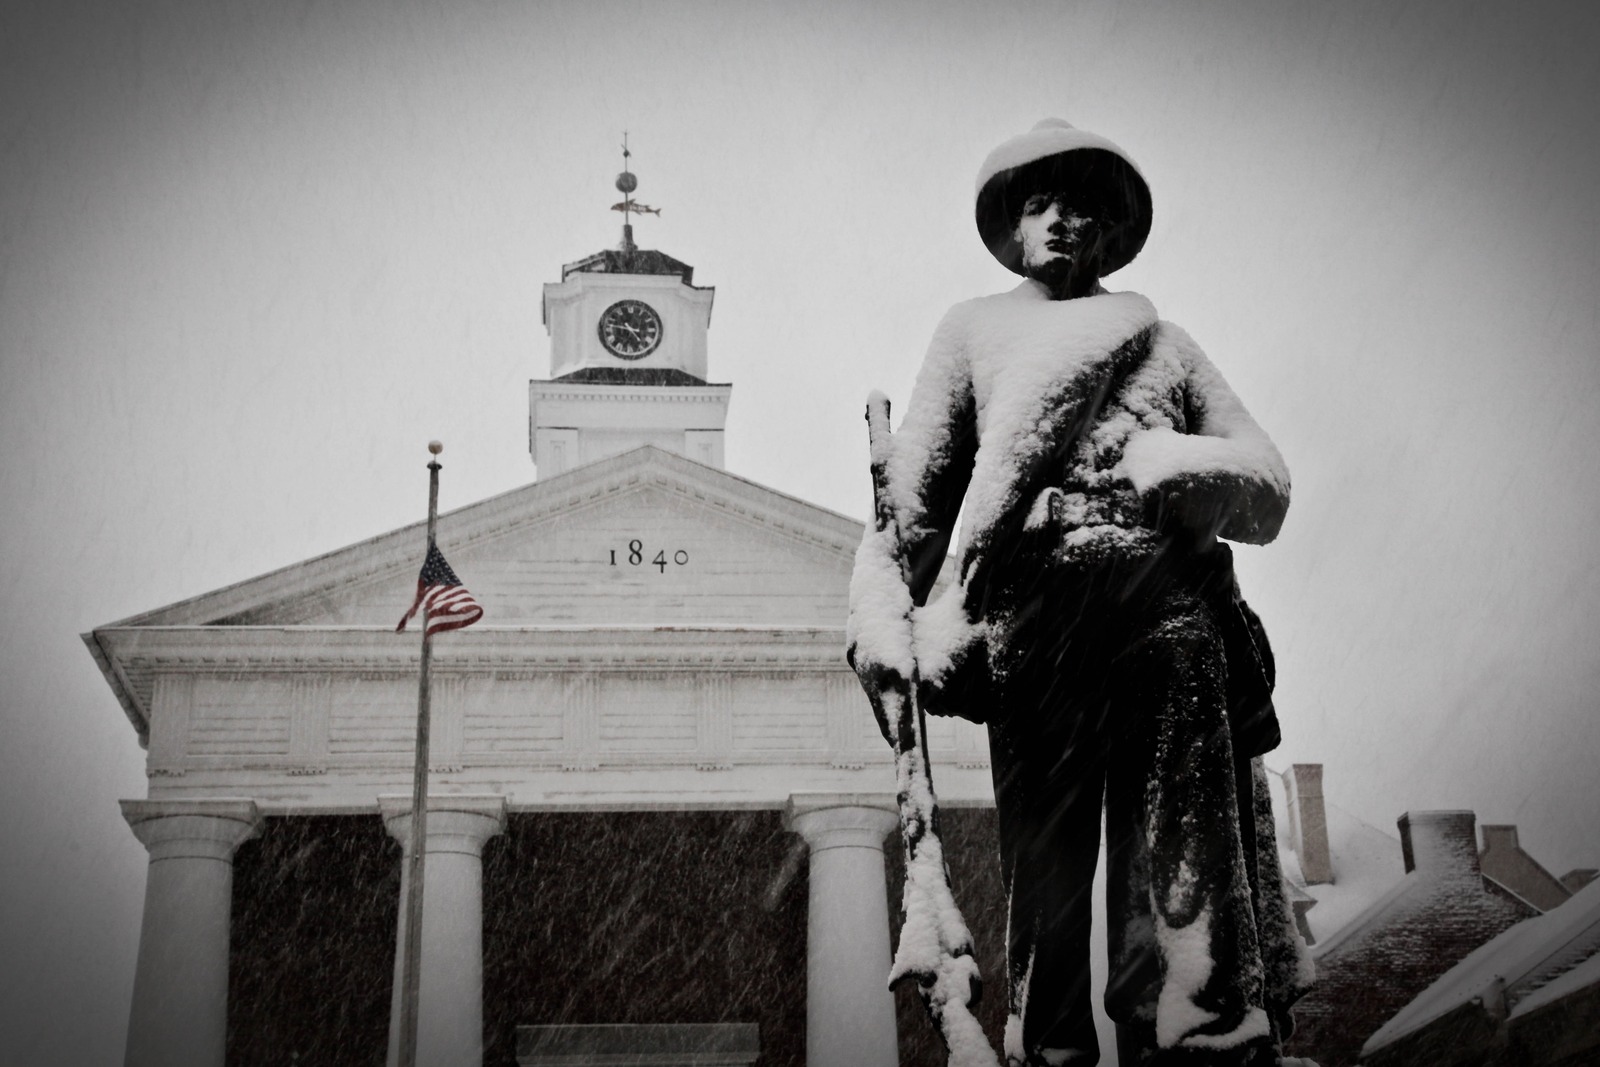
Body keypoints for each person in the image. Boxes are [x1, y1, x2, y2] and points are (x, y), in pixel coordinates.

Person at [857, 119, 1311, 1065]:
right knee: (1046, 858)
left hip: (1163, 606)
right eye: (1040, 204)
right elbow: (911, 509)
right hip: (1039, 606)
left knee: (1179, 838)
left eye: (1083, 209)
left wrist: (1172, 466)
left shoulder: (1167, 347)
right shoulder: (972, 334)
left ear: (1109, 233)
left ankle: (1197, 1029)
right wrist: (876, 612)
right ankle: (1050, 1046)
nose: (1063, 222)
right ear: (1014, 229)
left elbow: (1265, 483)